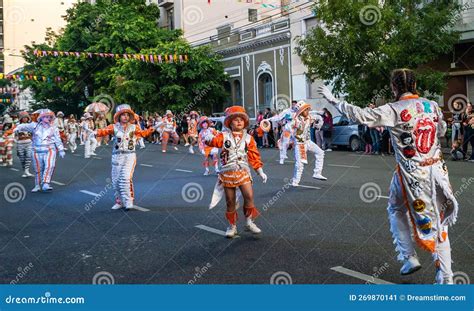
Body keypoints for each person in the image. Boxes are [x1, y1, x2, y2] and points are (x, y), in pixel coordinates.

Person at [319, 68, 459, 284]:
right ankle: (434, 270)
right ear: (414, 85)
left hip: (413, 175)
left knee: (420, 218)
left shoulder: (393, 109)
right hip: (436, 171)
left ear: (394, 87)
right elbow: (441, 131)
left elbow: (362, 116)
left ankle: (420, 263)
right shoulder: (432, 106)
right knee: (423, 216)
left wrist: (334, 101)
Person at [204, 106, 267, 238]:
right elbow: (211, 141)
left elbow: (254, 156)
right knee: (230, 201)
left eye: (241, 120)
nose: (239, 122)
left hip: (243, 171)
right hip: (227, 173)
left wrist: (260, 171)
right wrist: (207, 133)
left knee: (249, 196)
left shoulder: (249, 138)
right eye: (236, 120)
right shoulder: (223, 136)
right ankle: (232, 226)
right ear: (229, 122)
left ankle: (249, 222)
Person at [95, 104, 157, 210]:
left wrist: (152, 128)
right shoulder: (113, 127)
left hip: (130, 155)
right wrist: (93, 132)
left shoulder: (134, 127)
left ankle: (128, 201)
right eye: (123, 115)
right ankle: (119, 201)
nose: (125, 117)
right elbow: (103, 131)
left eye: (127, 115)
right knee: (115, 181)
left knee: (125, 179)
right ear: (119, 116)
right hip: (116, 156)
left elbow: (143, 133)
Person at [14, 109, 65, 192]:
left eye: (50, 117)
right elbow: (23, 126)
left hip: (49, 149)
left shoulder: (53, 128)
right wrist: (17, 128)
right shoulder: (34, 126)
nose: (48, 118)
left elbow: (57, 139)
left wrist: (61, 149)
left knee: (50, 165)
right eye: (46, 116)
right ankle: (37, 185)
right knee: (38, 169)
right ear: (41, 118)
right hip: (36, 150)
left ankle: (46, 183)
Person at [288, 101, 327, 186]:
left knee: (320, 152)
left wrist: (319, 124)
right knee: (300, 164)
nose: (307, 111)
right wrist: (289, 137)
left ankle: (317, 173)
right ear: (301, 112)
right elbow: (288, 127)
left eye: (307, 109)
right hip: (300, 144)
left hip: (308, 142)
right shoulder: (296, 121)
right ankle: (295, 181)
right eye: (305, 110)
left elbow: (319, 117)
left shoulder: (309, 117)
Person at [15, 111, 33, 177]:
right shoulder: (17, 125)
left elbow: (33, 134)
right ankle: (25, 171)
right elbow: (15, 134)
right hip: (20, 144)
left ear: (28, 118)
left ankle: (27, 171)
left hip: (29, 143)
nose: (25, 119)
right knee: (22, 159)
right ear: (21, 118)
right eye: (23, 118)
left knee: (28, 157)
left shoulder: (30, 125)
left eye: (26, 117)